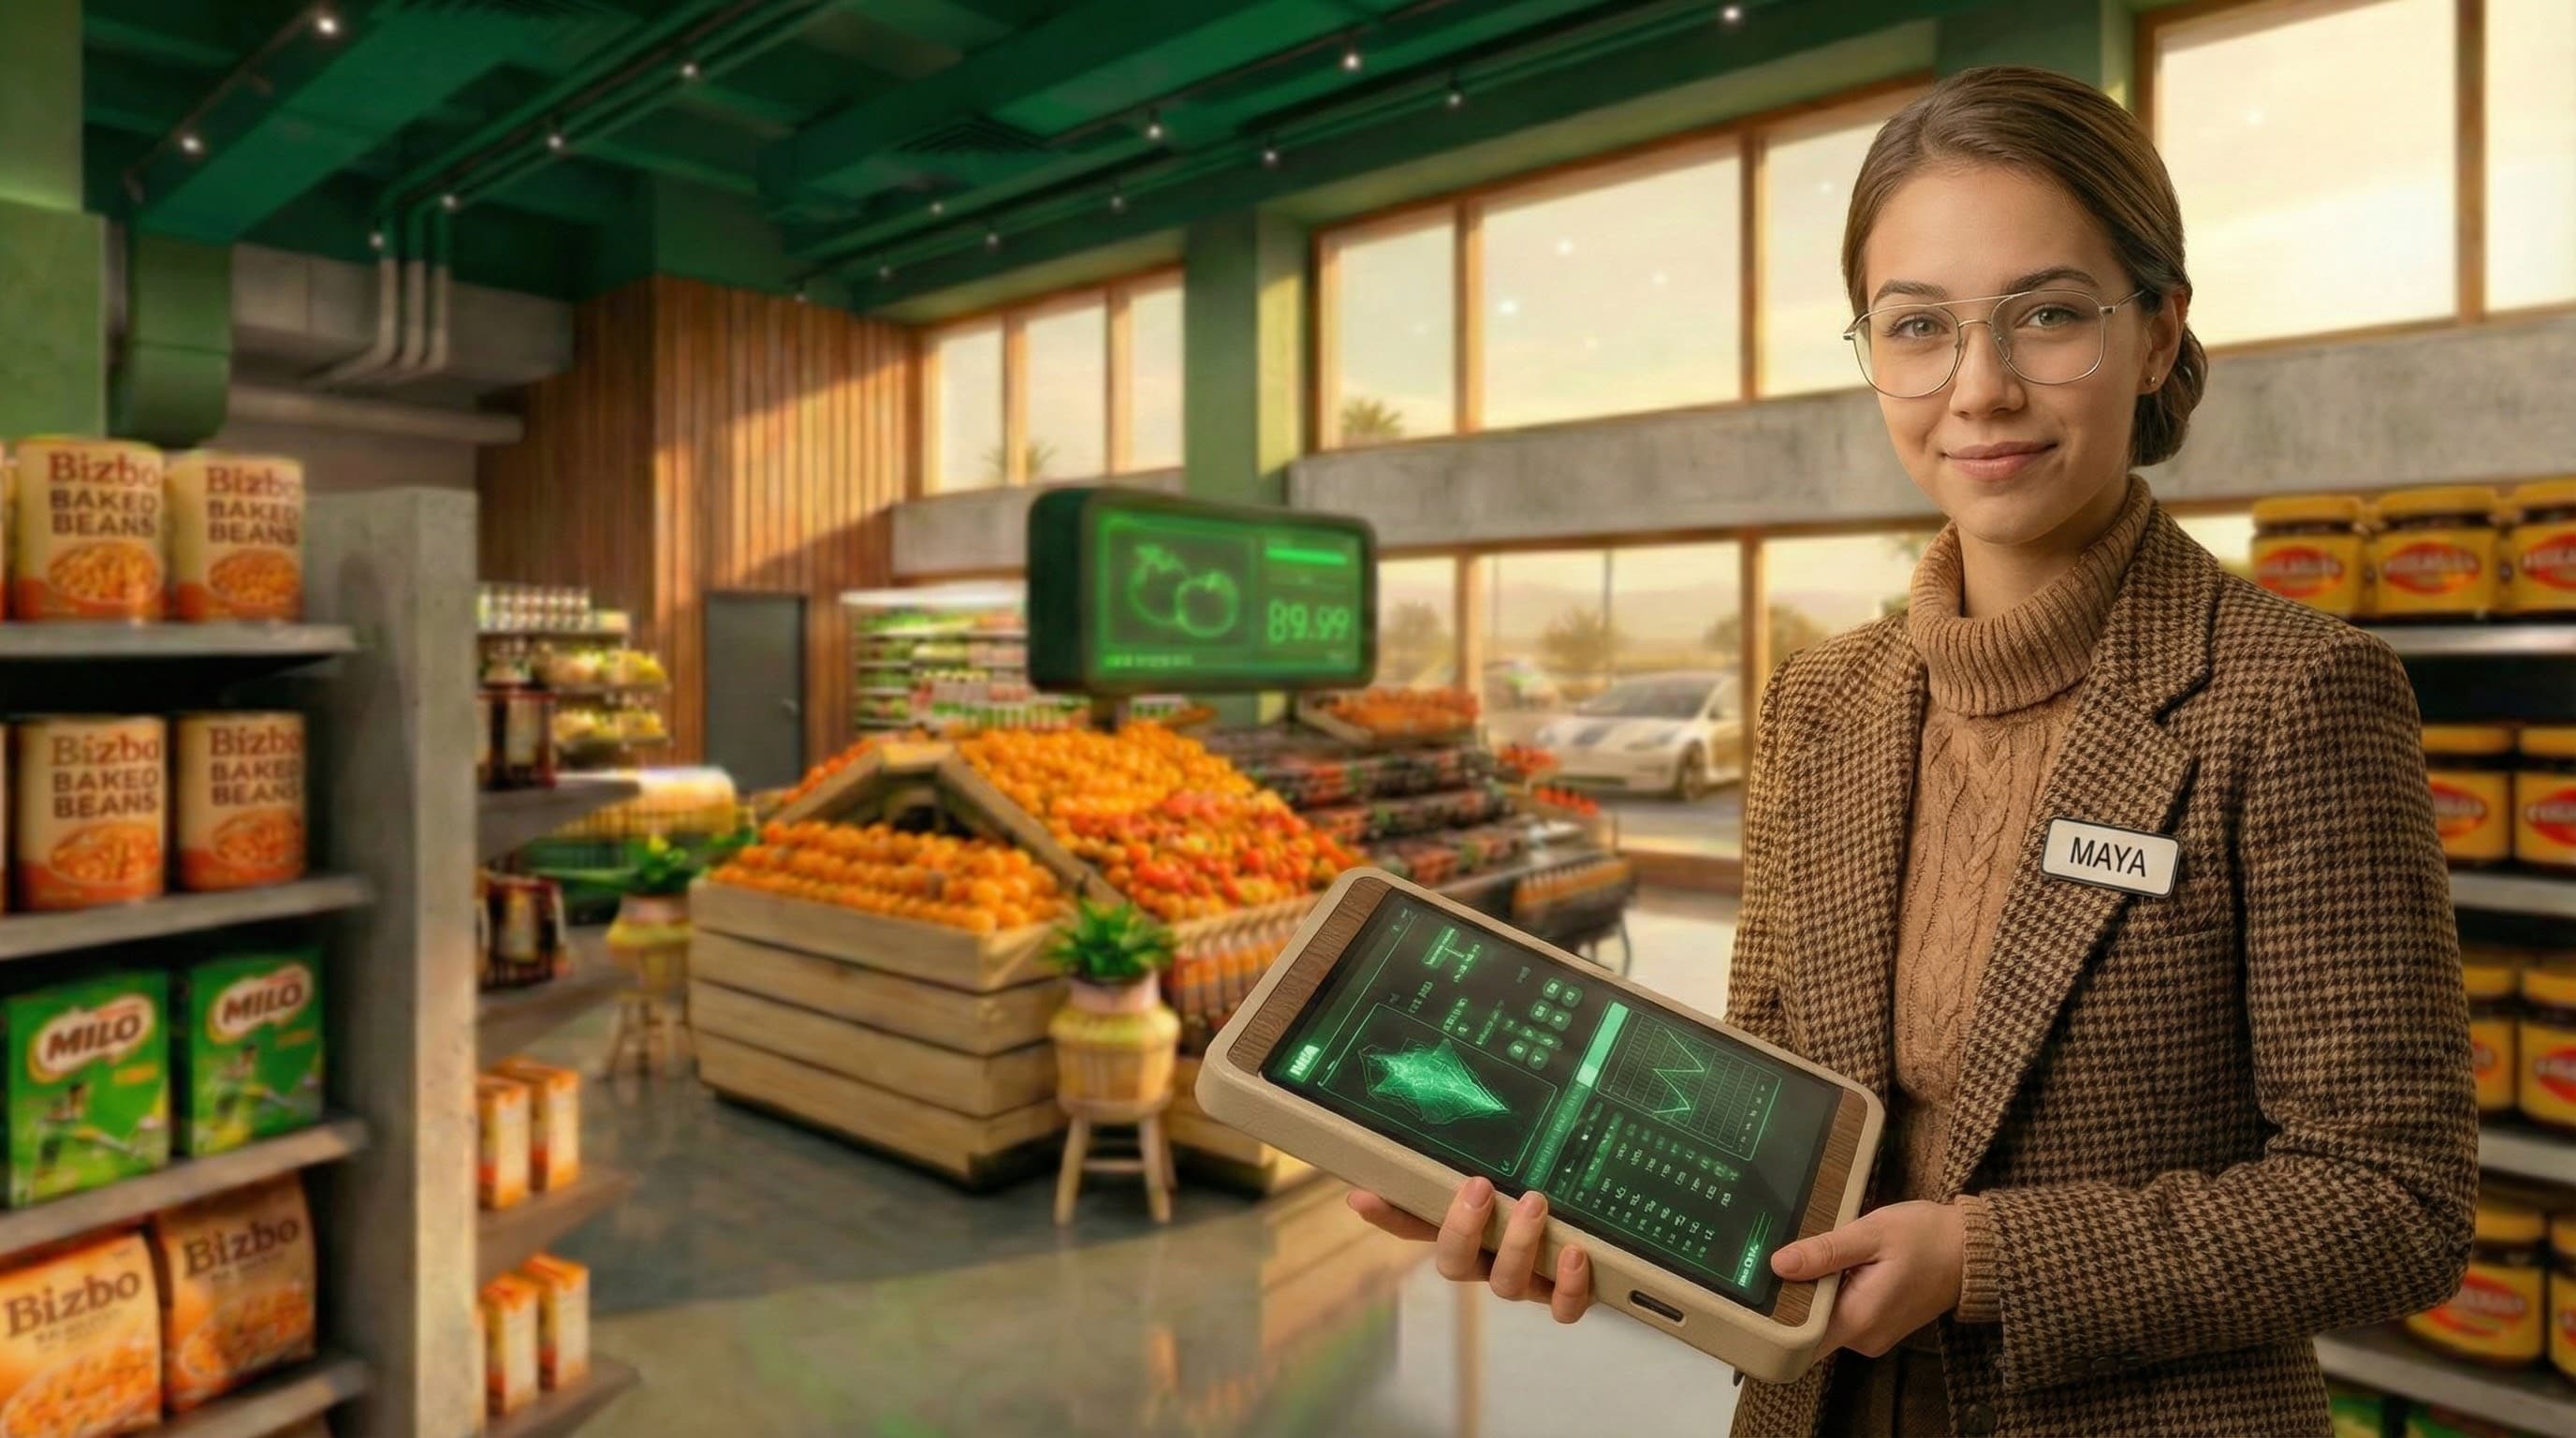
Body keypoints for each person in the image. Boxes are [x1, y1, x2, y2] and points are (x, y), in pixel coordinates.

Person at [1350, 65, 2477, 1436]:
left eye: (2049, 314)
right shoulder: (1820, 705)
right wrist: (1552, 1177)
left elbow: (2393, 1200)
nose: (1979, 389)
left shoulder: (2294, 696)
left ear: (2158, 332)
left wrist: (1982, 1262)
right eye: (1919, 326)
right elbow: (1761, 1106)